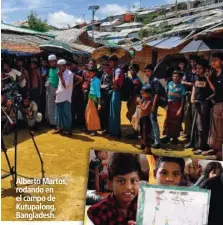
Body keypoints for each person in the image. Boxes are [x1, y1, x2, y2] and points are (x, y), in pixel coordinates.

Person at [87, 153, 142, 225]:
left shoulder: (146, 205)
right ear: (110, 184)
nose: (128, 187)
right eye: (121, 181)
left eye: (134, 181)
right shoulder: (97, 212)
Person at [191, 59, 213, 154]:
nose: (198, 70)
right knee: (197, 125)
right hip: (196, 101)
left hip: (204, 103)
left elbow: (213, 90)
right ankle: (197, 145)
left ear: (204, 68)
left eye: (200, 68)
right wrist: (192, 96)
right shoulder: (196, 76)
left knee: (202, 126)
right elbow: (194, 86)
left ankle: (202, 147)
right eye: (197, 68)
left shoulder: (208, 77)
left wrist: (207, 100)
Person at [144, 64, 167, 148]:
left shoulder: (155, 80)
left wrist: (153, 106)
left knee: (153, 121)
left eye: (148, 71)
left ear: (152, 71)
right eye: (146, 71)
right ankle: (154, 139)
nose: (147, 73)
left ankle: (157, 142)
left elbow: (157, 94)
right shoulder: (150, 80)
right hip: (153, 102)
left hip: (156, 102)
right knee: (152, 120)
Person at [205, 53, 223, 160]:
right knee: (215, 128)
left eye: (215, 60)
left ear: (222, 62)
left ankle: (220, 152)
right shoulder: (214, 74)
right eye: (212, 61)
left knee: (221, 129)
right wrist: (208, 79)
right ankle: (215, 148)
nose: (213, 62)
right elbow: (214, 90)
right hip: (216, 103)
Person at [162, 71, 185, 144]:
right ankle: (167, 136)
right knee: (168, 120)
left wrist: (180, 109)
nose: (175, 78)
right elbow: (166, 93)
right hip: (169, 104)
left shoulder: (181, 87)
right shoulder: (169, 84)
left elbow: (182, 99)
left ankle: (175, 138)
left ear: (179, 78)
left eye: (177, 76)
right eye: (174, 76)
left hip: (177, 105)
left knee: (176, 122)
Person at [53, 59, 73, 136]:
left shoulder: (69, 74)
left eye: (59, 66)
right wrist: (56, 92)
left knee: (66, 113)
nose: (58, 68)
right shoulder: (60, 73)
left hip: (66, 97)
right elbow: (60, 85)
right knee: (58, 113)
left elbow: (65, 86)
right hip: (59, 96)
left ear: (63, 66)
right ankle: (60, 128)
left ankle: (68, 130)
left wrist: (60, 76)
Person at [182, 55, 198, 143]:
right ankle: (187, 134)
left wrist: (192, 84)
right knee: (187, 114)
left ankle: (193, 135)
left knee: (194, 115)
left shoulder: (199, 72)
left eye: (194, 62)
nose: (193, 63)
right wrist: (191, 84)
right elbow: (183, 81)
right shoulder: (188, 71)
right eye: (191, 62)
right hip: (188, 94)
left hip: (196, 96)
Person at [108, 55, 124, 137]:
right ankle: (114, 131)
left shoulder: (117, 70)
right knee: (113, 112)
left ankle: (115, 132)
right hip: (115, 92)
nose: (110, 64)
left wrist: (114, 82)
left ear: (115, 62)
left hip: (117, 92)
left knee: (115, 113)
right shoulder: (115, 70)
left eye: (111, 62)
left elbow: (117, 78)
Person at [85, 67, 102, 136]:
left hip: (93, 98)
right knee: (88, 113)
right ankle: (91, 129)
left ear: (94, 73)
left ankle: (94, 130)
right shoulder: (92, 80)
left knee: (93, 115)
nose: (88, 74)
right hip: (90, 98)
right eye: (88, 72)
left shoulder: (97, 81)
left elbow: (98, 92)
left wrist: (99, 103)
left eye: (90, 73)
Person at [137, 85, 152, 154]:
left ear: (148, 94)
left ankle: (147, 148)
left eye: (143, 93)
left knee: (146, 134)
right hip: (142, 118)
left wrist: (139, 102)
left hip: (146, 119)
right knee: (142, 132)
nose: (142, 94)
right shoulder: (144, 100)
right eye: (141, 93)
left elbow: (144, 109)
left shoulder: (149, 101)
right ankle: (142, 144)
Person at [45, 54, 59, 128]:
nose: (50, 63)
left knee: (55, 106)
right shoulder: (50, 70)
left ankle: (55, 122)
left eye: (52, 62)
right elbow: (49, 78)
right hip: (49, 89)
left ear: (55, 61)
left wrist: (57, 89)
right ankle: (50, 121)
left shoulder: (59, 69)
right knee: (49, 106)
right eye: (49, 62)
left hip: (56, 90)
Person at [99, 62, 113, 134]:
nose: (105, 69)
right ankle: (103, 126)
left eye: (107, 68)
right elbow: (101, 82)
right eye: (104, 68)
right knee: (102, 111)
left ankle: (107, 128)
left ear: (110, 68)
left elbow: (112, 85)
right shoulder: (104, 74)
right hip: (102, 94)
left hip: (108, 95)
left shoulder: (112, 75)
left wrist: (107, 86)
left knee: (107, 112)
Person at [70, 60, 84, 128]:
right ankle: (72, 122)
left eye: (73, 64)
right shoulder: (71, 71)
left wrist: (74, 85)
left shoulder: (80, 71)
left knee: (79, 108)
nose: (72, 66)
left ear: (76, 65)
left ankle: (79, 122)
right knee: (72, 107)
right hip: (72, 92)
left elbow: (81, 79)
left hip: (78, 91)